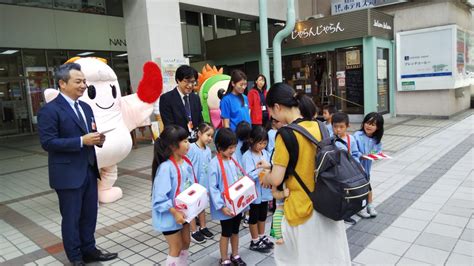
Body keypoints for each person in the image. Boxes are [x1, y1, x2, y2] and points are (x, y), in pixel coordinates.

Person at [257, 83, 351, 265]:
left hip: (303, 211)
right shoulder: (320, 126)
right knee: (330, 258)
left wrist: (265, 177)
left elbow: (276, 178)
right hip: (326, 203)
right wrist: (273, 166)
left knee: (301, 259)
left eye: (271, 111)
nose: (272, 116)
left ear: (277, 107)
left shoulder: (285, 134)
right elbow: (306, 162)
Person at [37, 63, 117, 265]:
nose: (84, 85)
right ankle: (75, 257)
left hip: (89, 170)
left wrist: (98, 139)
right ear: (62, 84)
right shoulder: (49, 110)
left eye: (84, 81)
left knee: (90, 215)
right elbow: (48, 143)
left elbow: (90, 132)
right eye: (78, 81)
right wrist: (82, 141)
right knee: (72, 219)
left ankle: (89, 250)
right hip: (67, 175)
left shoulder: (86, 107)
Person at [151, 125, 195, 266]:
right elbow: (159, 199)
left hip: (184, 212)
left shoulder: (186, 162)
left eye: (188, 140)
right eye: (184, 141)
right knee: (175, 247)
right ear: (173, 146)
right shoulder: (165, 168)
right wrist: (175, 212)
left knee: (186, 242)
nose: (188, 144)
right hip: (170, 215)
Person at [208, 128, 247, 266]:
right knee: (226, 232)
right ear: (219, 147)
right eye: (230, 148)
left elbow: (240, 176)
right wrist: (221, 206)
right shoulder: (214, 164)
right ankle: (224, 258)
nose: (232, 150)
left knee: (236, 231)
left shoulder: (233, 158)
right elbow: (212, 188)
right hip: (226, 206)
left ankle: (235, 254)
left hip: (237, 204)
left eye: (234, 147)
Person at [241, 126, 274, 253]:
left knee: (262, 216)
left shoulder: (266, 153)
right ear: (251, 141)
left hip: (265, 191)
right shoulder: (247, 156)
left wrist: (268, 169)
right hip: (254, 193)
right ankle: (254, 240)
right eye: (259, 143)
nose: (262, 146)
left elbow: (271, 166)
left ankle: (261, 236)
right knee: (253, 217)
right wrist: (262, 170)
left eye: (264, 143)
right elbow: (248, 175)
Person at [187, 123, 215, 243]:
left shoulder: (208, 150)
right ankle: (194, 231)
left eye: (211, 136)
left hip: (203, 184)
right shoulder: (191, 148)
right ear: (199, 134)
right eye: (208, 135)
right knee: (192, 208)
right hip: (192, 185)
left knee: (202, 206)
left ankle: (203, 227)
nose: (210, 138)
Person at [331, 112, 361, 225]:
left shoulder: (351, 140)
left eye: (341, 127)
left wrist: (356, 168)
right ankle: (336, 212)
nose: (338, 129)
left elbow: (355, 154)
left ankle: (347, 214)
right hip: (335, 173)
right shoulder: (330, 139)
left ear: (347, 126)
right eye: (335, 126)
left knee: (348, 194)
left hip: (347, 172)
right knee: (336, 194)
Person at [159, 65, 203, 139]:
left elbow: (200, 121)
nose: (190, 85)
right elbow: (169, 126)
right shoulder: (166, 99)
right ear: (178, 80)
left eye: (193, 82)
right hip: (178, 142)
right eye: (186, 81)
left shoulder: (195, 98)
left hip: (196, 142)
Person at [354, 112, 384, 219]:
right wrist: (361, 155)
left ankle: (369, 205)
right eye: (367, 123)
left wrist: (377, 155)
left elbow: (378, 151)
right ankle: (360, 207)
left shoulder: (376, 140)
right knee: (361, 188)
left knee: (368, 187)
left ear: (378, 127)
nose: (368, 126)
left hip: (367, 169)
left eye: (372, 124)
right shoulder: (357, 135)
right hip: (357, 168)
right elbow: (353, 151)